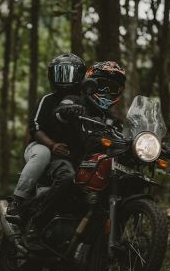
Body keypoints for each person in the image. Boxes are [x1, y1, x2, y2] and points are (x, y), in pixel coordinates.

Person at [20, 60, 127, 232]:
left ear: (119, 92)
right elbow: (62, 109)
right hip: (64, 157)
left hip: (91, 164)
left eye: (112, 88)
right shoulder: (76, 100)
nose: (106, 92)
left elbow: (124, 138)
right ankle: (35, 224)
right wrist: (68, 110)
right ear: (91, 85)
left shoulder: (114, 121)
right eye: (102, 86)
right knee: (67, 177)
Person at [6, 53, 86, 221]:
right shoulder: (47, 99)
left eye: (70, 73)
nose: (65, 79)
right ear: (52, 75)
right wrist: (52, 145)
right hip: (41, 146)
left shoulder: (84, 102)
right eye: (60, 73)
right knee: (43, 154)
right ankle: (18, 201)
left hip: (70, 153)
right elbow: (34, 128)